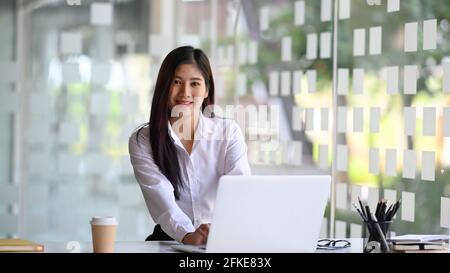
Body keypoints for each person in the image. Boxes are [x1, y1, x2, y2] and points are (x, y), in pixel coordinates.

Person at [128, 46, 251, 245]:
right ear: (164, 86)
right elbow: (162, 200)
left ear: (206, 90)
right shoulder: (143, 140)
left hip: (220, 239)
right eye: (176, 82)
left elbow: (241, 190)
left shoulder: (228, 132)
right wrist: (188, 235)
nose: (185, 92)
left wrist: (221, 233)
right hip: (171, 239)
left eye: (195, 83)